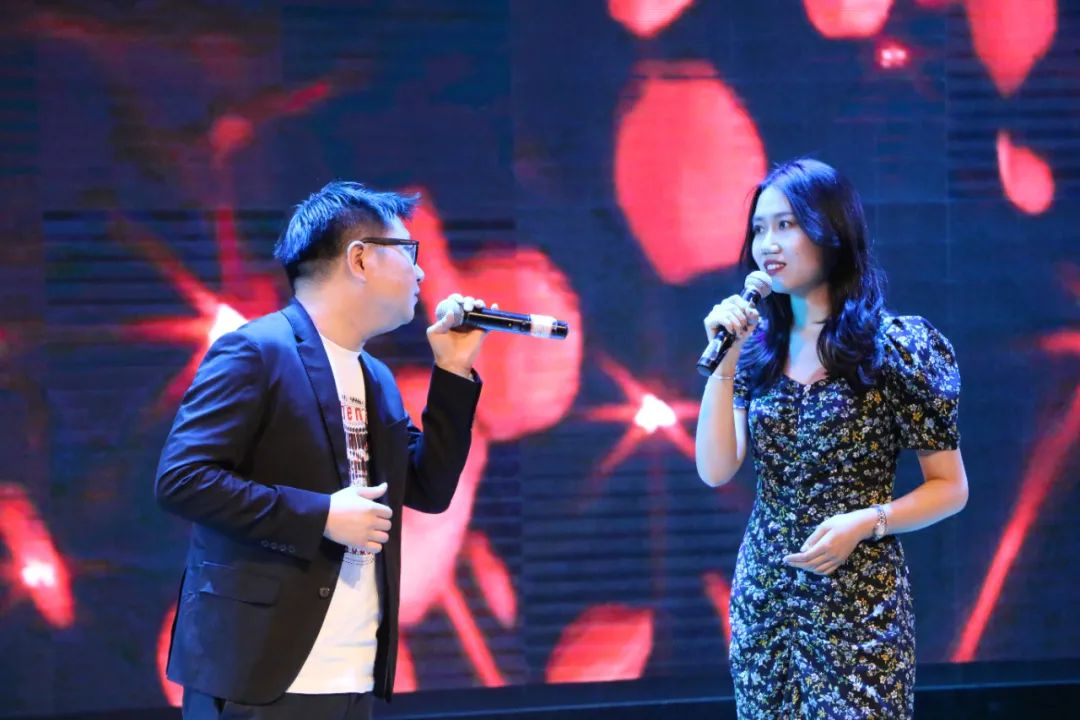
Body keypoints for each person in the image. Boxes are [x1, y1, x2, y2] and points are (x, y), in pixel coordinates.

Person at [156, 181, 490, 719]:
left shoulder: (375, 377)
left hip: (352, 671)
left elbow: (427, 488)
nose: (421, 273)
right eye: (408, 252)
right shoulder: (254, 352)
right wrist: (322, 516)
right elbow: (183, 479)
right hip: (259, 675)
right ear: (359, 259)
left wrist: (453, 370)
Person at [695, 159, 968, 718]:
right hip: (766, 600)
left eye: (786, 225)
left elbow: (950, 488)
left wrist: (866, 521)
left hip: (859, 602)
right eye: (759, 229)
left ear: (831, 231)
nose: (768, 244)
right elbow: (716, 469)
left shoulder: (896, 347)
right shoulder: (754, 351)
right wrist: (724, 363)